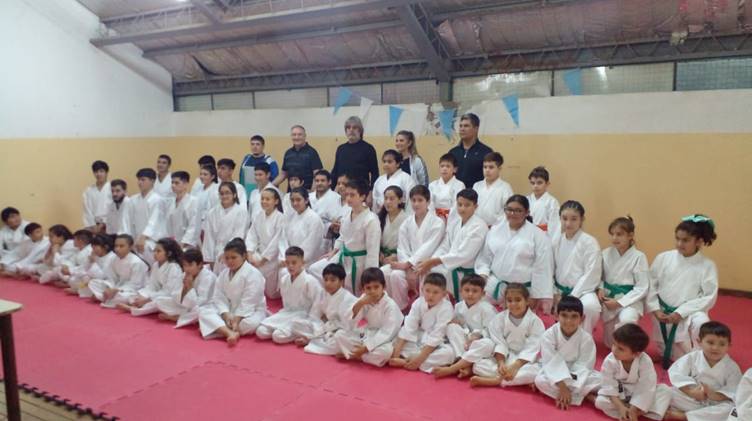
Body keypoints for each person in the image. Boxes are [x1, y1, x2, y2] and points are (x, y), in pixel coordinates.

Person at [646, 214, 718, 369]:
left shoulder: (707, 265)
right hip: (663, 312)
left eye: (685, 240)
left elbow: (708, 296)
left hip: (689, 313)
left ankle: (700, 358)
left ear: (698, 241)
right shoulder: (663, 258)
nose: (679, 244)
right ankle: (672, 353)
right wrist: (655, 309)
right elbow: (650, 284)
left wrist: (681, 312)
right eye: (677, 239)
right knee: (671, 355)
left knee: (702, 322)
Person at [475, 195, 554, 309]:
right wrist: (483, 275)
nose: (512, 213)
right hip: (495, 286)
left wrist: (536, 295)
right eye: (509, 209)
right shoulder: (495, 230)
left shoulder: (538, 236)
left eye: (518, 210)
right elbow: (485, 257)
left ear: (527, 212)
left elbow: (542, 267)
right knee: (485, 314)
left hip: (522, 292)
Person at [463, 283, 545, 387]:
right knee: (478, 365)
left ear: (527, 301)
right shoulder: (499, 319)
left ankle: (497, 380)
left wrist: (516, 366)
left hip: (524, 361)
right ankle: (508, 378)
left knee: (537, 371)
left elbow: (532, 347)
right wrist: (501, 363)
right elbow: (499, 342)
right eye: (509, 300)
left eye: (518, 300)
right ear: (505, 302)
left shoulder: (535, 322)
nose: (513, 304)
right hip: (505, 356)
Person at [310, 179, 380, 295]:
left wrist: (369, 274)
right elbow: (342, 236)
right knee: (315, 269)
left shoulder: (371, 219)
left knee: (354, 293)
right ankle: (328, 299)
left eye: (352, 195)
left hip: (360, 262)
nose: (348, 198)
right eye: (346, 195)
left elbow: (373, 251)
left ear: (362, 196)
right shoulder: (347, 214)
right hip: (342, 256)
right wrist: (334, 250)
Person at [416, 189, 489, 302]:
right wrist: (432, 260)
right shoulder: (455, 222)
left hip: (465, 272)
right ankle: (426, 304)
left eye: (467, 205)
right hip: (451, 266)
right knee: (427, 271)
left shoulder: (479, 226)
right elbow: (445, 245)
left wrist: (434, 261)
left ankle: (441, 305)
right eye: (459, 204)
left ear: (475, 206)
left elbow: (464, 255)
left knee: (435, 274)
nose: (462, 208)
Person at [383, 185, 445, 311]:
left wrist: (408, 264)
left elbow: (429, 246)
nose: (416, 204)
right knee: (389, 273)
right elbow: (402, 247)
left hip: (427, 264)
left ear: (428, 202)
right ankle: (400, 309)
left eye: (420, 200)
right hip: (407, 264)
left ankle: (424, 311)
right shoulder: (407, 223)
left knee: (427, 277)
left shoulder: (437, 222)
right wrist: (407, 266)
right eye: (413, 200)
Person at [534, 296, 601, 410]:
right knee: (540, 381)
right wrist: (562, 386)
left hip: (577, 376)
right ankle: (584, 396)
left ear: (582, 318)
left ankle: (570, 395)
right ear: (556, 316)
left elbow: (585, 365)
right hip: (555, 373)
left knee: (603, 381)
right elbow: (551, 362)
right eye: (564, 315)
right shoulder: (549, 335)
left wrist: (569, 384)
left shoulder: (586, 338)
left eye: (574, 316)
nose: (569, 321)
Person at [665, 321, 742, 421]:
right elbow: (677, 373)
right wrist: (691, 392)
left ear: (729, 346)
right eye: (710, 342)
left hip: (715, 404)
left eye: (722, 344)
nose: (715, 348)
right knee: (664, 390)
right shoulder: (692, 358)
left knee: (733, 408)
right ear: (699, 342)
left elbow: (734, 390)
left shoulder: (732, 367)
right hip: (691, 398)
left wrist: (715, 395)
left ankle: (685, 416)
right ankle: (698, 416)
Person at [198, 238, 268, 346]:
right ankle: (229, 332)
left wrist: (237, 318)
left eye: (234, 257)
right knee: (203, 311)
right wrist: (225, 314)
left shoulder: (254, 274)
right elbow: (219, 296)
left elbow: (250, 300)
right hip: (229, 311)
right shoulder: (224, 274)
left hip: (250, 312)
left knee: (249, 324)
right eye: (227, 258)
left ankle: (219, 328)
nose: (230, 261)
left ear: (244, 256)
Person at [596, 323, 672, 421]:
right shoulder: (610, 360)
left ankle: (630, 413)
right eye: (614, 344)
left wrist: (634, 408)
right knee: (601, 401)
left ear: (636, 353)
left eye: (621, 349)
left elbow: (646, 386)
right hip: (620, 392)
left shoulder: (645, 361)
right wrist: (620, 406)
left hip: (639, 393)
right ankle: (630, 413)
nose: (614, 350)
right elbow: (608, 385)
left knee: (665, 390)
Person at [333, 268, 404, 367]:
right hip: (368, 333)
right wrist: (360, 303)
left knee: (386, 352)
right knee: (339, 335)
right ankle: (365, 357)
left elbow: (387, 332)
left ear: (384, 287)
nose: (372, 291)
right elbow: (351, 322)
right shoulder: (364, 298)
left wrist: (366, 348)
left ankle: (357, 357)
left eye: (376, 287)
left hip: (386, 339)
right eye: (368, 288)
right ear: (363, 289)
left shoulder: (390, 305)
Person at [432, 274, 496, 379]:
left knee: (488, 344)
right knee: (451, 327)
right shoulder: (458, 306)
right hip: (464, 343)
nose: (470, 294)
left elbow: (491, 330)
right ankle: (463, 362)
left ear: (483, 293)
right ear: (461, 291)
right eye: (467, 290)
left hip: (478, 342)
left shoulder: (487, 309)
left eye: (475, 291)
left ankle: (455, 367)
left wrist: (478, 335)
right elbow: (458, 326)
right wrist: (456, 324)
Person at [552, 200, 602, 335]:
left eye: (574, 219)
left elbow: (592, 273)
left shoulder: (590, 242)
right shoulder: (556, 240)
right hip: (559, 290)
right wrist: (555, 292)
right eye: (564, 218)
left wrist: (572, 297)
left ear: (582, 219)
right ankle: (559, 337)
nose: (568, 223)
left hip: (582, 291)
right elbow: (549, 269)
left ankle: (584, 339)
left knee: (590, 307)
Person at [598, 216, 649, 348]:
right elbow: (599, 276)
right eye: (612, 234)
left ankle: (629, 350)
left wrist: (620, 302)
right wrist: (600, 288)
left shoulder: (639, 257)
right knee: (610, 343)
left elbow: (642, 287)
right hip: (609, 300)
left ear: (630, 235)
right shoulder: (605, 253)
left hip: (630, 301)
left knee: (627, 321)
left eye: (619, 234)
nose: (615, 238)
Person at [389, 273, 455, 374]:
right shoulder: (418, 302)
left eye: (435, 292)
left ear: (443, 293)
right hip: (420, 337)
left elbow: (438, 335)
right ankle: (413, 360)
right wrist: (396, 353)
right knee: (395, 342)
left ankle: (406, 361)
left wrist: (419, 359)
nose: (430, 295)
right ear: (422, 289)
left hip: (437, 343)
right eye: (427, 291)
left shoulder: (446, 307)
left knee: (449, 354)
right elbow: (409, 326)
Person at [256, 246, 323, 343]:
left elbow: (317, 304)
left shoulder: (310, 281)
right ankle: (282, 328)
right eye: (287, 263)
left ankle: (297, 333)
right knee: (261, 332)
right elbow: (286, 304)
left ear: (302, 262)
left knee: (277, 336)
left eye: (294, 263)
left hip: (303, 316)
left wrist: (310, 322)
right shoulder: (284, 279)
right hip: (287, 313)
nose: (290, 266)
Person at [290, 263, 357, 355]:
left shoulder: (348, 298)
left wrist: (318, 333)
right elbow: (315, 316)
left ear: (341, 281)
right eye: (326, 279)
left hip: (339, 331)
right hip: (326, 328)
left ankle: (312, 341)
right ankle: (315, 340)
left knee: (338, 338)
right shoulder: (323, 294)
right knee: (295, 324)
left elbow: (346, 326)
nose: (328, 283)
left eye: (332, 280)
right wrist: (319, 327)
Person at [118, 238, 184, 317]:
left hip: (170, 297)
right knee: (135, 295)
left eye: (158, 251)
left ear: (169, 253)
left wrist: (148, 299)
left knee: (158, 301)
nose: (155, 253)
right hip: (158, 293)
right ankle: (139, 305)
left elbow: (168, 292)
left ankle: (136, 309)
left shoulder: (174, 267)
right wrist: (143, 295)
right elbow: (152, 285)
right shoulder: (156, 265)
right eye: (154, 251)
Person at [154, 248, 217, 328]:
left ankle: (177, 317)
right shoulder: (184, 275)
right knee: (159, 300)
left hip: (205, 306)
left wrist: (190, 287)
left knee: (200, 312)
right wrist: (184, 288)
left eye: (190, 265)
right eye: (184, 265)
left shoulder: (208, 277)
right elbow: (175, 297)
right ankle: (184, 316)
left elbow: (200, 302)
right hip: (186, 306)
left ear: (200, 264)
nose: (187, 268)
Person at [85, 234, 149, 308]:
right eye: (116, 246)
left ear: (130, 247)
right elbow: (112, 278)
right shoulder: (114, 259)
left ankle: (103, 297)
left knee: (123, 296)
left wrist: (117, 289)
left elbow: (136, 284)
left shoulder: (136, 262)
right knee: (93, 283)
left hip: (133, 290)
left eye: (121, 246)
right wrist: (110, 288)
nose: (117, 249)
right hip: (118, 287)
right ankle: (105, 297)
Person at [121, 168, 167, 265]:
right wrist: (127, 240)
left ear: (152, 181)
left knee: (149, 260)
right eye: (139, 180)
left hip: (152, 240)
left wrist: (143, 237)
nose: (140, 182)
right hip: (136, 239)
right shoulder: (133, 199)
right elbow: (127, 221)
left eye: (143, 180)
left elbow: (154, 221)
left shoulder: (157, 200)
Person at [201, 182, 249, 274]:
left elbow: (238, 235)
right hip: (216, 254)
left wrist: (226, 253)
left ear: (234, 194)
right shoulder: (212, 213)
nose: (224, 196)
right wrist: (210, 259)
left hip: (233, 254)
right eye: (222, 193)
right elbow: (209, 238)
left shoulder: (241, 212)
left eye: (227, 193)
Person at [245, 187, 284, 298]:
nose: (264, 201)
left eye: (267, 199)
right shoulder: (259, 215)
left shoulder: (280, 218)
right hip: (258, 254)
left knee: (271, 294)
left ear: (276, 201)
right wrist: (249, 253)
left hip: (272, 258)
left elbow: (276, 242)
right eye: (262, 199)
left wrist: (263, 260)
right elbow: (252, 236)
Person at [278, 188, 326, 269]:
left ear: (306, 200)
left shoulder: (314, 219)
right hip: (290, 260)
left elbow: (310, 246)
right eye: (292, 200)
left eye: (298, 200)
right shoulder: (292, 217)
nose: (295, 203)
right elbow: (285, 240)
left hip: (307, 263)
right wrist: (286, 258)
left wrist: (295, 260)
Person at [330, 116, 379, 190]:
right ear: (346, 131)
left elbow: (375, 173)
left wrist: (371, 191)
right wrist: (330, 190)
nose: (351, 130)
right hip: (342, 190)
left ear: (360, 131)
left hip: (361, 190)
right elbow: (335, 171)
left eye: (354, 127)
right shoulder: (341, 149)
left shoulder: (368, 149)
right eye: (348, 127)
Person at [448, 113, 493, 187]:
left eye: (466, 126)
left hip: (477, 193)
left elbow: (490, 178)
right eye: (460, 126)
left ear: (476, 129)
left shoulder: (486, 152)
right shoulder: (453, 153)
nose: (462, 129)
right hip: (456, 193)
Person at [275, 125, 323, 190]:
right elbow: (283, 174)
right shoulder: (288, 153)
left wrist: (312, 193)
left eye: (299, 134)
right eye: (294, 135)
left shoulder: (312, 152)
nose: (296, 137)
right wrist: (269, 186)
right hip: (291, 193)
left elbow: (317, 175)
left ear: (305, 136)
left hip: (306, 193)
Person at [472, 152, 513, 226]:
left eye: (491, 167)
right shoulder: (477, 185)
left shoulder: (505, 188)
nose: (487, 170)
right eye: (485, 167)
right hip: (476, 226)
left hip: (496, 227)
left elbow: (509, 211)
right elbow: (471, 207)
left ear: (499, 168)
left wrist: (496, 226)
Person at [309, 170, 342, 251]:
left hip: (326, 238)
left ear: (329, 182)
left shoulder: (336, 198)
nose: (319, 183)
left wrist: (330, 225)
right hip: (308, 235)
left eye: (322, 181)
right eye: (317, 181)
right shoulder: (309, 197)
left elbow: (337, 221)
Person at [165, 171, 200, 249]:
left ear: (185, 184)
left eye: (176, 183)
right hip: (173, 243)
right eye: (172, 182)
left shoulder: (194, 201)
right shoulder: (170, 202)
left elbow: (194, 225)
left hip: (188, 245)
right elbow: (168, 226)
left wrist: (184, 243)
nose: (173, 185)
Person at [377, 186, 408, 266]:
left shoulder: (407, 219)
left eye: (391, 199)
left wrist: (397, 256)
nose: (388, 202)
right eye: (386, 198)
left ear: (400, 200)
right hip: (381, 258)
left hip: (399, 260)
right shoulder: (379, 218)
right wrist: (378, 252)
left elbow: (410, 244)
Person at [428, 154, 465, 220]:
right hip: (435, 218)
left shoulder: (460, 185)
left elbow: (457, 204)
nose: (444, 169)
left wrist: (448, 217)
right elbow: (430, 204)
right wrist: (435, 218)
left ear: (455, 169)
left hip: (453, 219)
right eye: (442, 166)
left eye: (448, 166)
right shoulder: (432, 185)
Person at [527, 166, 560, 237]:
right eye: (533, 183)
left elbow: (555, 227)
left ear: (547, 184)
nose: (535, 186)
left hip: (544, 236)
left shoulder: (552, 202)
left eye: (539, 183)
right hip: (527, 235)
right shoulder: (526, 200)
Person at [82, 160, 112, 230]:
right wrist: (93, 226)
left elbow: (114, 209)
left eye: (101, 171)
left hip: (109, 224)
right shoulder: (88, 190)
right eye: (96, 172)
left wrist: (103, 224)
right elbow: (87, 210)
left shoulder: (112, 188)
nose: (98, 174)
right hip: (93, 226)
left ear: (106, 172)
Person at [192, 164, 220, 231]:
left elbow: (215, 210)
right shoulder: (199, 189)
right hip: (196, 223)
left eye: (205, 174)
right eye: (201, 174)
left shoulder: (216, 189)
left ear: (212, 176)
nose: (202, 176)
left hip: (208, 224)